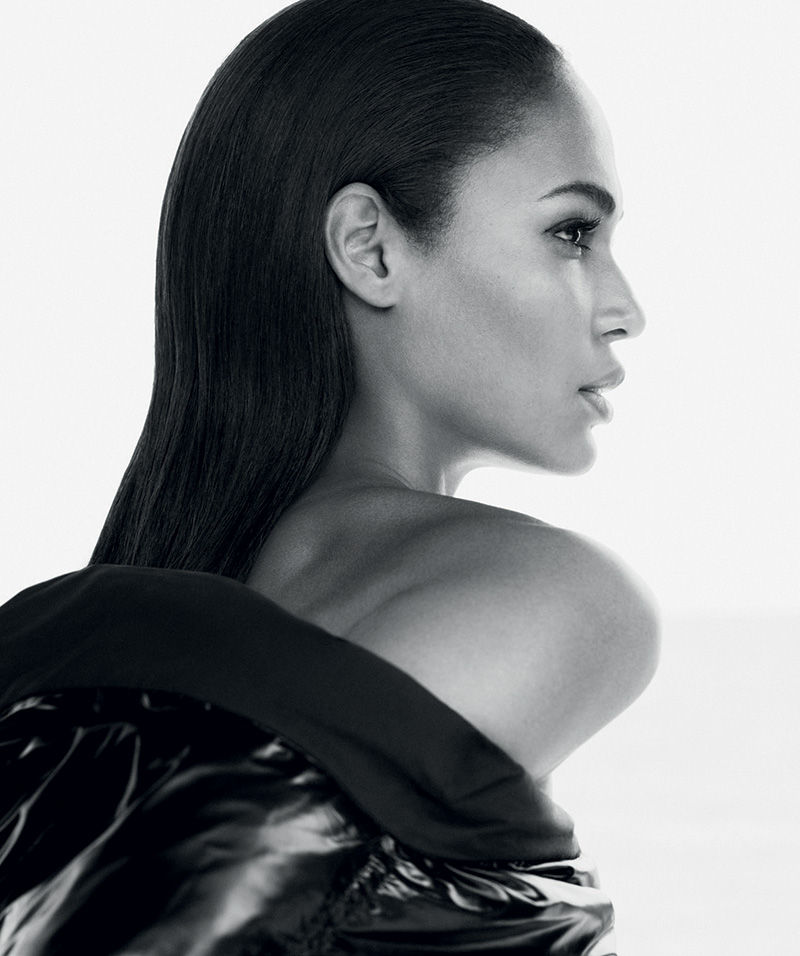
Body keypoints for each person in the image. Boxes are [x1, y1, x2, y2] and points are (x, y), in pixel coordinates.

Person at [0, 0, 659, 952]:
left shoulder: (63, 654)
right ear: (370, 247)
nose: (625, 309)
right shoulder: (551, 599)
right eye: (571, 232)